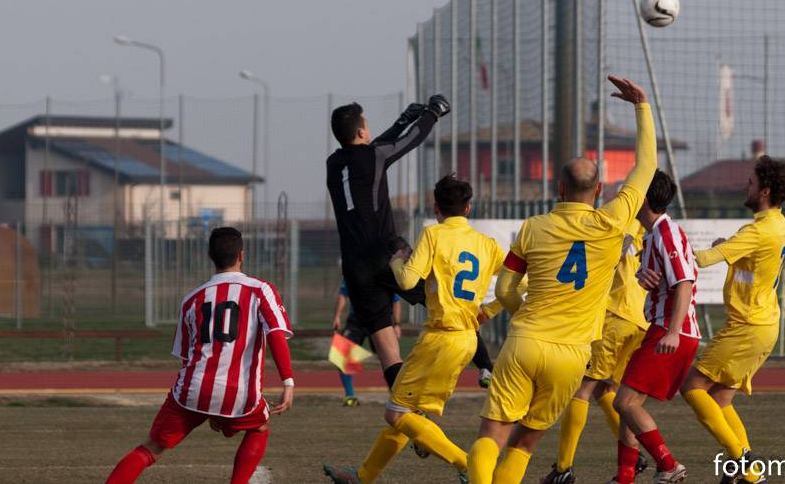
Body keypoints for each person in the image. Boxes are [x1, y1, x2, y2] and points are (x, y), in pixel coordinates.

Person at [466, 75, 657, 484]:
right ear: (601, 188)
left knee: (491, 435)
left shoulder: (534, 227)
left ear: (558, 188)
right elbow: (647, 167)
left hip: (526, 340)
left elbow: (503, 290)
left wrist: (524, 313)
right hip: (572, 354)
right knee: (526, 441)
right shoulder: (613, 222)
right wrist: (641, 107)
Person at [323, 174, 505, 484]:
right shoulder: (486, 244)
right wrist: (488, 310)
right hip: (466, 341)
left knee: (396, 412)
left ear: (436, 208)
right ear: (468, 208)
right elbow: (520, 282)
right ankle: (362, 477)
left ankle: (466, 464)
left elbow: (407, 281)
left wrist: (396, 261)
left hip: (439, 337)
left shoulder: (433, 235)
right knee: (403, 412)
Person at [103, 227, 293, 484]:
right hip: (238, 394)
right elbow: (276, 335)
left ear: (209, 255)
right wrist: (288, 382)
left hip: (191, 390)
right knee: (259, 427)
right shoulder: (260, 290)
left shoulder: (192, 298)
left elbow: (186, 355)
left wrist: (208, 409)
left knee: (150, 449)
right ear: (242, 255)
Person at [666, 155, 785, 484]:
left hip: (747, 326)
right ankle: (750, 475)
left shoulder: (757, 231)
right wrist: (732, 249)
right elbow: (752, 259)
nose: (745, 187)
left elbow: (703, 259)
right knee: (721, 398)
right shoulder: (779, 224)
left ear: (764, 191)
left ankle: (741, 460)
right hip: (764, 324)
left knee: (692, 387)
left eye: (750, 183)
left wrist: (666, 247)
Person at [327, 94, 450, 389]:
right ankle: (482, 365)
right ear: (360, 131)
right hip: (386, 256)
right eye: (366, 125)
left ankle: (410, 416)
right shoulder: (373, 156)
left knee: (388, 353)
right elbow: (410, 141)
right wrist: (432, 113)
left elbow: (375, 148)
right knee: (443, 304)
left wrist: (401, 121)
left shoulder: (333, 163)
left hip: (355, 268)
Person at [540, 222, 650, 484]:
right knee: (606, 390)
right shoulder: (651, 229)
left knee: (582, 390)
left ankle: (563, 468)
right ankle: (634, 459)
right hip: (640, 321)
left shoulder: (626, 224)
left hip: (616, 317)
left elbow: (613, 254)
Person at [610, 170, 700, 484]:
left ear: (643, 199)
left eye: (631, 191)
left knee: (624, 402)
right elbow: (667, 280)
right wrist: (642, 277)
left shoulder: (666, 233)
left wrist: (674, 331)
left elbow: (685, 283)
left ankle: (668, 464)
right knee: (627, 402)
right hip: (662, 328)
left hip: (672, 331)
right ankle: (624, 476)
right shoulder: (652, 236)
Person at [332, 281, 403, 407]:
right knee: (342, 355)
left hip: (380, 319)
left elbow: (396, 300)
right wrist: (337, 316)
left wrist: (397, 324)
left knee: (390, 358)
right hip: (356, 320)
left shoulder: (383, 270)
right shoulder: (353, 268)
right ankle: (350, 396)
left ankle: (398, 396)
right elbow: (343, 294)